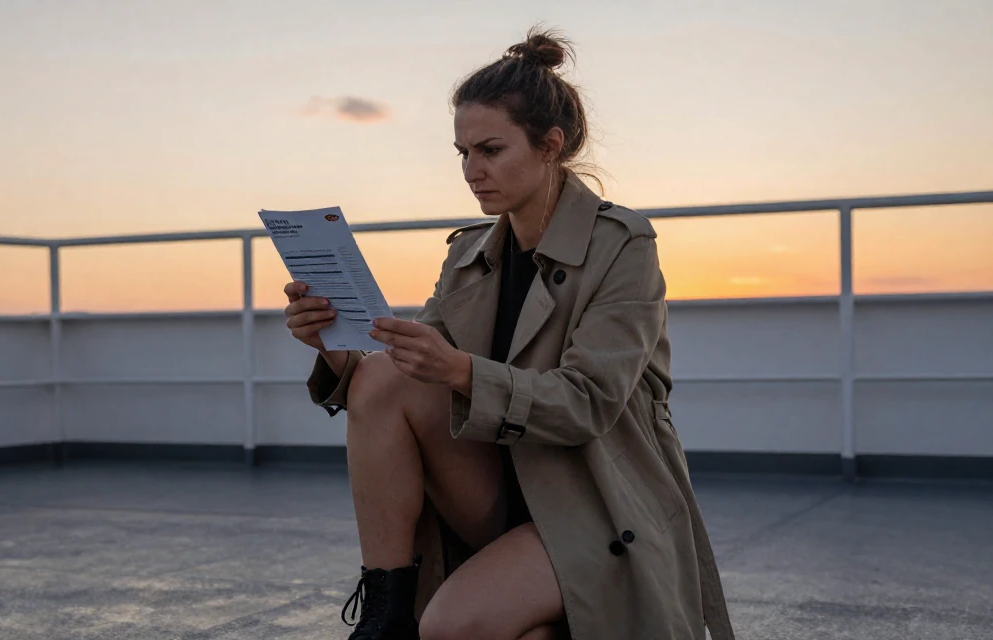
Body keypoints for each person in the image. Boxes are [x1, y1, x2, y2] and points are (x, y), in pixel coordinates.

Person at [282, 27, 734, 640]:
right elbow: (410, 375)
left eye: (491, 150)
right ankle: (384, 616)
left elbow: (587, 402)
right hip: (499, 487)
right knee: (385, 377)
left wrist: (461, 371)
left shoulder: (622, 247)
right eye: (463, 152)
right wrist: (333, 344)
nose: (472, 170)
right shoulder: (470, 254)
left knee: (458, 627)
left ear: (551, 146)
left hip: (595, 505)